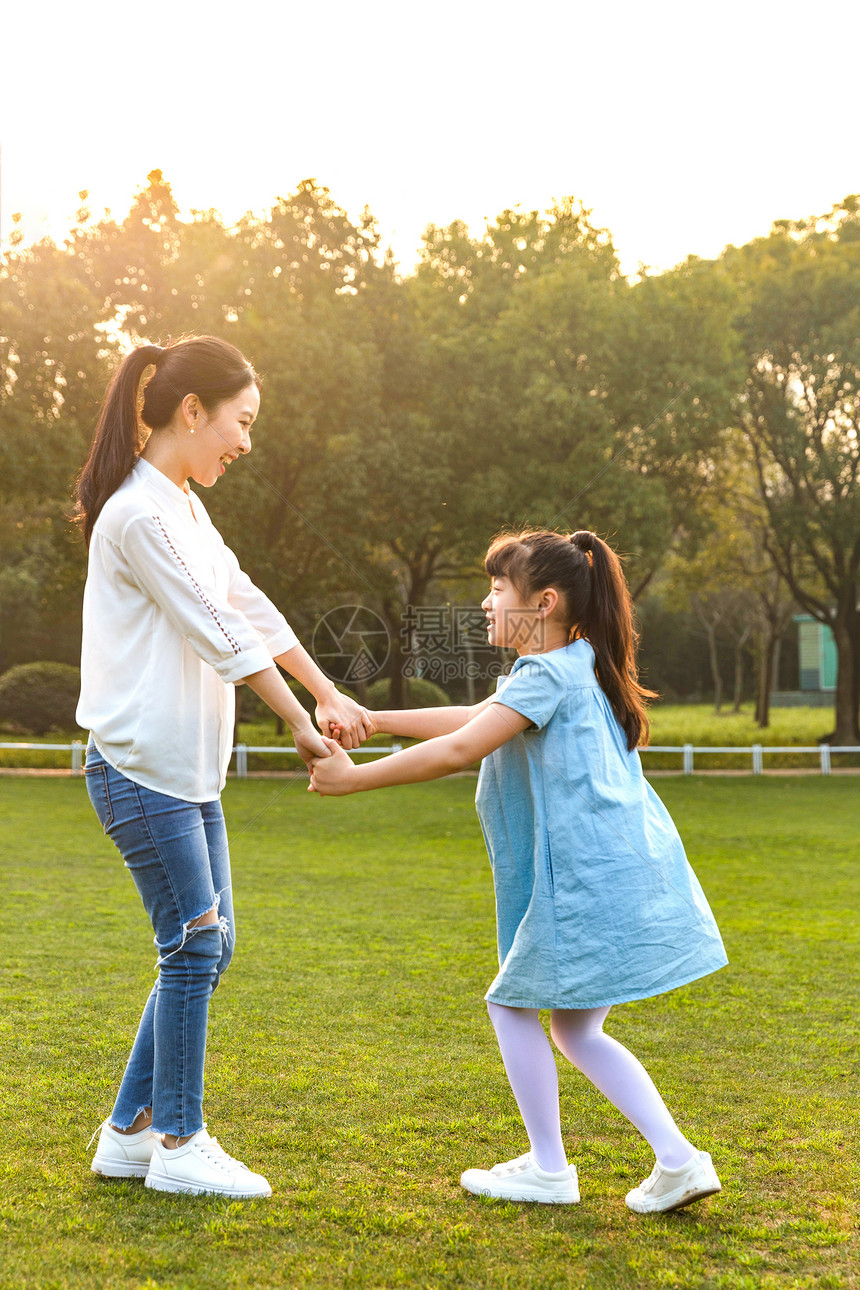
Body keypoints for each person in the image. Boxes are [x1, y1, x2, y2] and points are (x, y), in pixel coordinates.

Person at [310, 529, 727, 1213]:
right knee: (575, 1030)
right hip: (618, 872)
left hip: (583, 882)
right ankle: (680, 1161)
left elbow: (464, 747)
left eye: (498, 588)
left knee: (513, 1006)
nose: (484, 602)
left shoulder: (546, 675)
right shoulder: (577, 664)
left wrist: (352, 782)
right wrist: (374, 717)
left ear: (545, 602)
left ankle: (549, 1168)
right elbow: (478, 716)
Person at [76, 335, 369, 1198]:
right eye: (239, 422)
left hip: (188, 772)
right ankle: (178, 1141)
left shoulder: (184, 507)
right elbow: (221, 634)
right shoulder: (139, 515)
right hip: (140, 769)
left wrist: (324, 692)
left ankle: (127, 1135)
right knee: (196, 947)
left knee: (202, 946)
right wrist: (298, 726)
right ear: (191, 410)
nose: (245, 442)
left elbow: (246, 602)